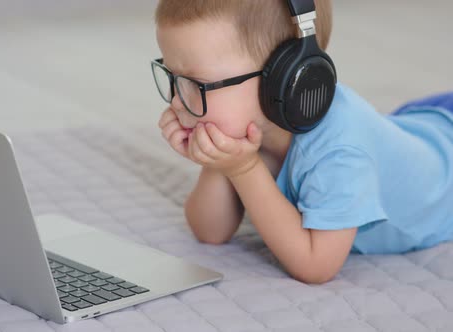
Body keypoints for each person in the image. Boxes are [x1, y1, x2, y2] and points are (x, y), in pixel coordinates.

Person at [151, 0, 453, 284]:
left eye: (198, 84)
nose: (178, 102)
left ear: (286, 75)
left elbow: (316, 266)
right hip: (418, 127)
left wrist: (245, 171)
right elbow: (210, 232)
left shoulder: (341, 152)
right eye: (173, 77)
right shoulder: (247, 129)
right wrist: (218, 162)